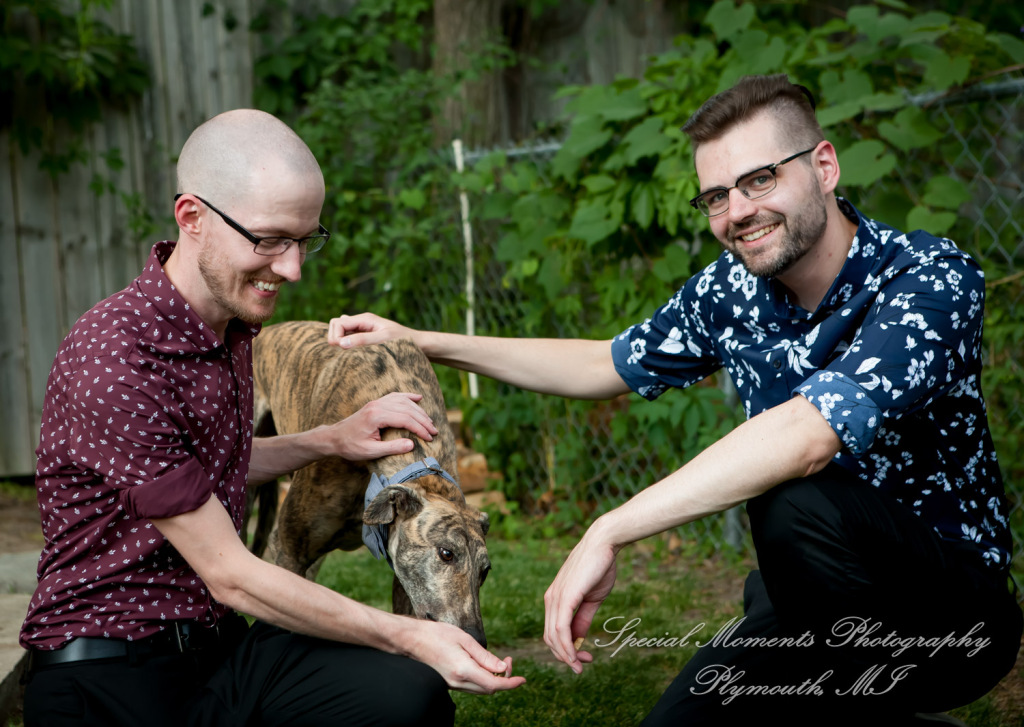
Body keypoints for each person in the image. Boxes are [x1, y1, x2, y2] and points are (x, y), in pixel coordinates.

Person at [327, 74, 1022, 725]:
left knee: (792, 497)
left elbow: (809, 435)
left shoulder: (929, 279)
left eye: (758, 179)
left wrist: (610, 526)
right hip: (809, 600)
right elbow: (607, 361)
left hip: (951, 615)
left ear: (825, 166)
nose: (737, 211)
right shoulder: (732, 290)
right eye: (716, 195)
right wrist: (424, 339)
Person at [20, 108, 525, 727]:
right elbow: (232, 575)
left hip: (218, 648)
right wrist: (408, 633)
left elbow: (203, 472)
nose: (292, 269)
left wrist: (329, 440)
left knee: (408, 698)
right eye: (270, 240)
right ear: (192, 218)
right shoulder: (119, 357)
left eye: (306, 240)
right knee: (408, 659)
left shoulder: (228, 326)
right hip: (111, 672)